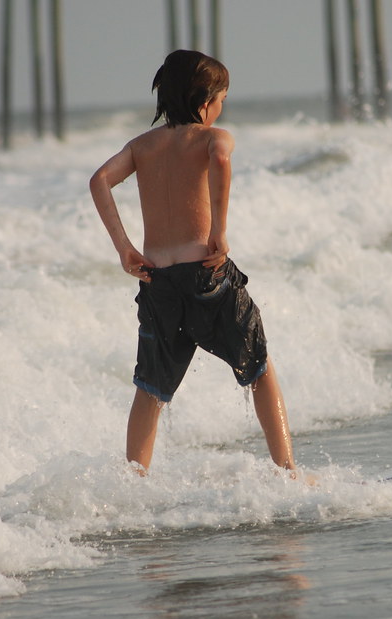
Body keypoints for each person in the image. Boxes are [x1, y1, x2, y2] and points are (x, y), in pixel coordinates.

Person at [89, 49, 299, 477]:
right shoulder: (213, 137)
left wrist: (124, 248)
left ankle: (133, 482)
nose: (222, 107)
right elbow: (221, 158)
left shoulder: (142, 146)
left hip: (158, 281)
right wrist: (219, 230)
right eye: (221, 97)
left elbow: (99, 180)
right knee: (258, 368)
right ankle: (288, 471)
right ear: (206, 100)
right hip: (207, 276)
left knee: (150, 390)